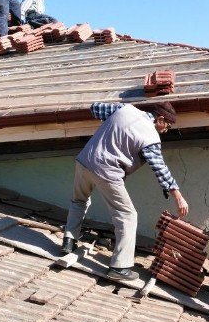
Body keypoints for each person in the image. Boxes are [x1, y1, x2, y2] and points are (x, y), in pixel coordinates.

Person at [62, 101, 189, 281]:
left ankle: (68, 242)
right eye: (167, 125)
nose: (166, 130)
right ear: (160, 119)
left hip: (84, 161)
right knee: (127, 216)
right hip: (107, 172)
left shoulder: (125, 109)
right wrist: (178, 196)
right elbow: (160, 169)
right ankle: (120, 267)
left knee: (79, 200)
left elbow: (95, 108)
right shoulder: (150, 137)